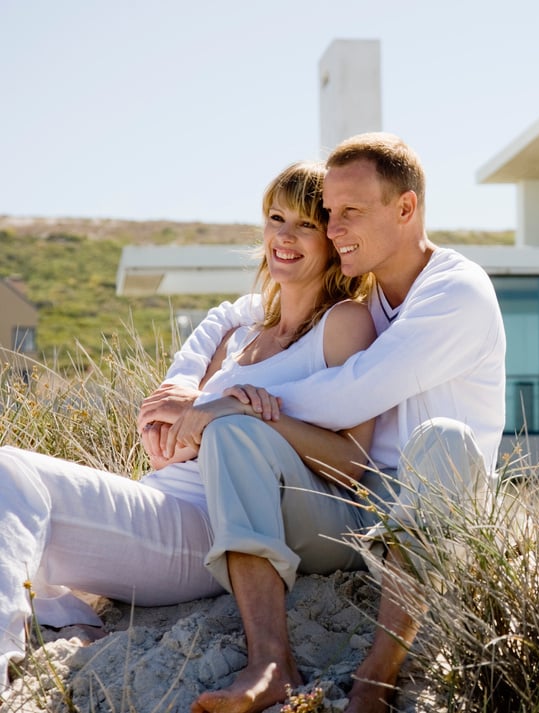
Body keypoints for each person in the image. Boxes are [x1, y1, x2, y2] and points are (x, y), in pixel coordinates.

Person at [146, 132, 506, 713]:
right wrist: (194, 380)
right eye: (330, 214)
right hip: (346, 501)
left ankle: (378, 673)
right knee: (236, 434)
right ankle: (270, 662)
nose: (333, 228)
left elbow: (350, 394)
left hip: (430, 511)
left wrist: (225, 402)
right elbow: (241, 310)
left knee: (443, 437)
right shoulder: (363, 302)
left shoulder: (455, 292)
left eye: (350, 213)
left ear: (406, 208)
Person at [0, 160, 376, 697]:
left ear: (332, 239)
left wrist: (249, 415)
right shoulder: (241, 333)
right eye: (275, 218)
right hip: (159, 501)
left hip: (210, 526)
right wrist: (187, 417)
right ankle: (64, 614)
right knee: (15, 503)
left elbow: (352, 461)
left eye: (306, 225)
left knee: (11, 468)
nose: (285, 237)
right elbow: (174, 428)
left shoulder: (343, 323)